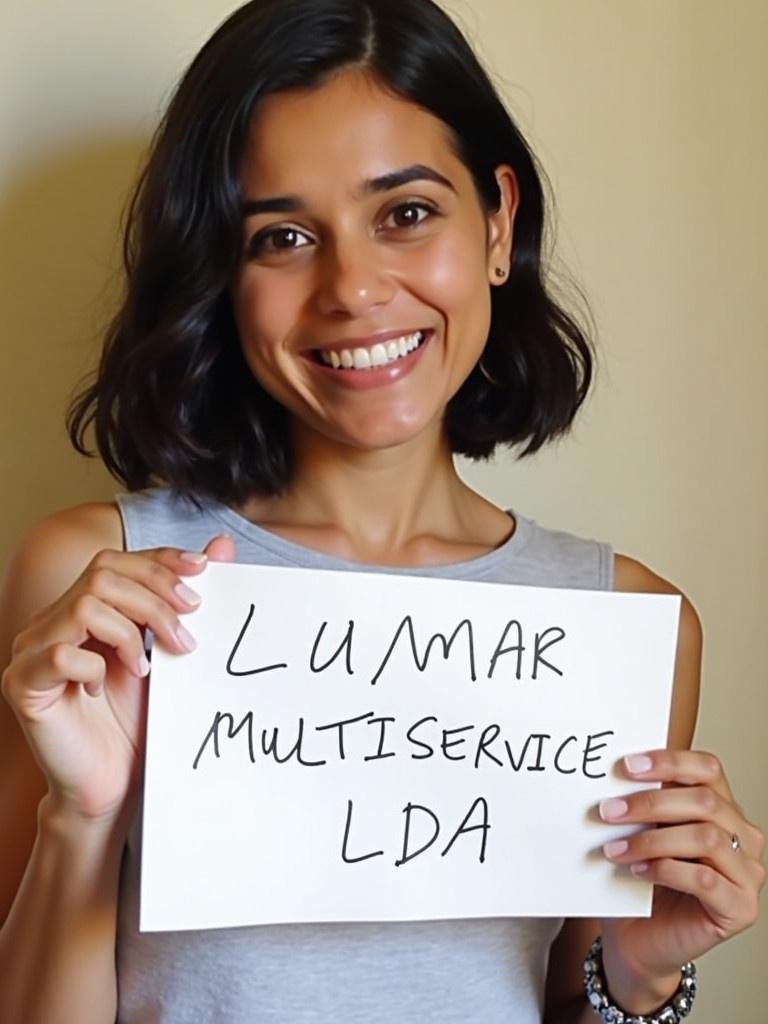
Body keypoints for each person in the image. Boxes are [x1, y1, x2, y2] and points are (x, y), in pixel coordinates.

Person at [0, 0, 763, 1021]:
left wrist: (640, 975)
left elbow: (572, 996)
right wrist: (82, 819)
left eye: (405, 213)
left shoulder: (625, 624)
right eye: (281, 236)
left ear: (498, 221)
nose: (353, 289)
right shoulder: (100, 581)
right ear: (224, 274)